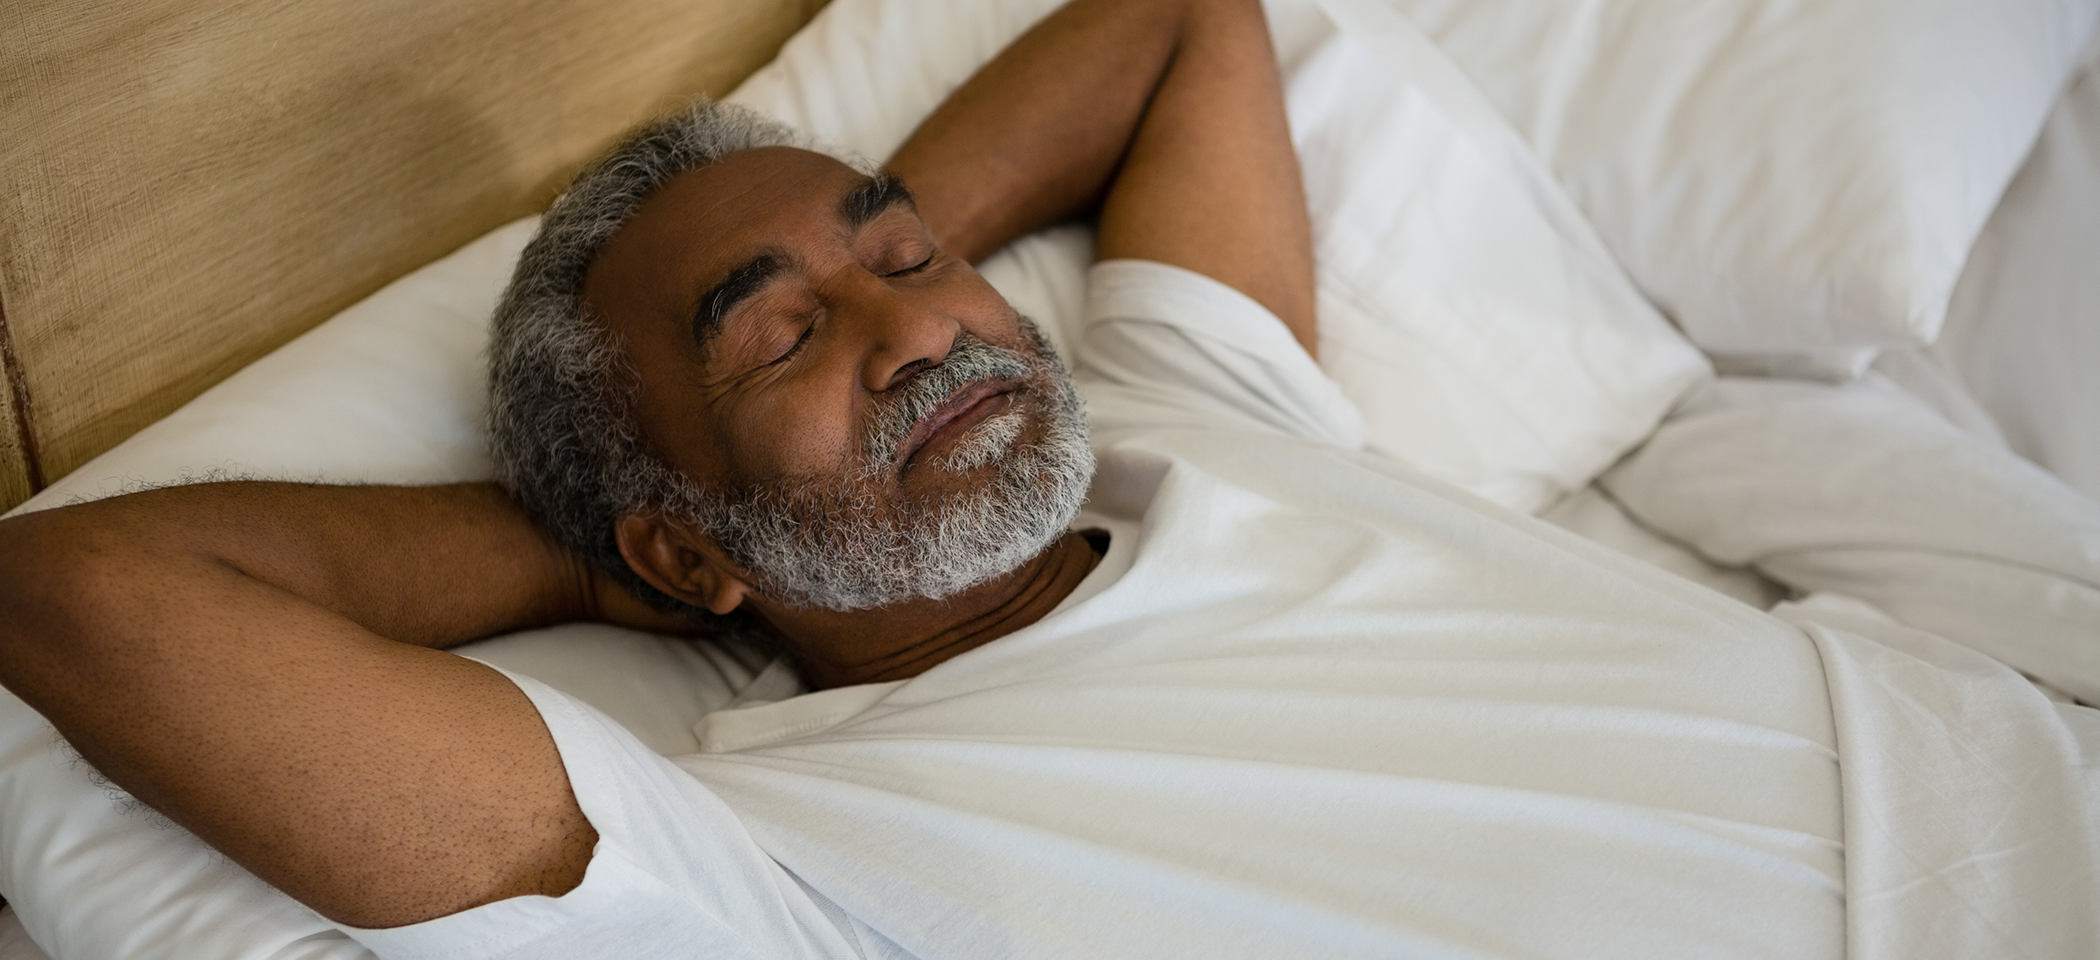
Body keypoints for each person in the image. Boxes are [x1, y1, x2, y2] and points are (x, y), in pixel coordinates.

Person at [4, 0, 2040, 955]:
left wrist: (868, 283)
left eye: (915, 261)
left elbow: (1178, 26)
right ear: (675, 541)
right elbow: (81, 596)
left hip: (2013, 772)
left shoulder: (1191, 419)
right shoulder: (771, 862)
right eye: (774, 337)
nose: (919, 328)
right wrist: (630, 559)